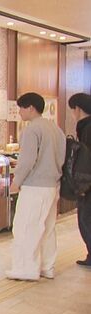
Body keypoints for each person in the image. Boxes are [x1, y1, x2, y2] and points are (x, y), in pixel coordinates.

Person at [7, 92, 66, 281]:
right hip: (52, 186)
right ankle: (47, 267)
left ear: (31, 108)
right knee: (47, 228)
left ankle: (26, 269)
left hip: (35, 186)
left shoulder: (32, 130)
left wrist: (16, 182)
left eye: (21, 108)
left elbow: (27, 160)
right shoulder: (55, 129)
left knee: (26, 227)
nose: (19, 112)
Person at [69, 93, 91, 266]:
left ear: (77, 109)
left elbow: (85, 160)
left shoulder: (87, 128)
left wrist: (82, 186)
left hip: (87, 184)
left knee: (85, 218)